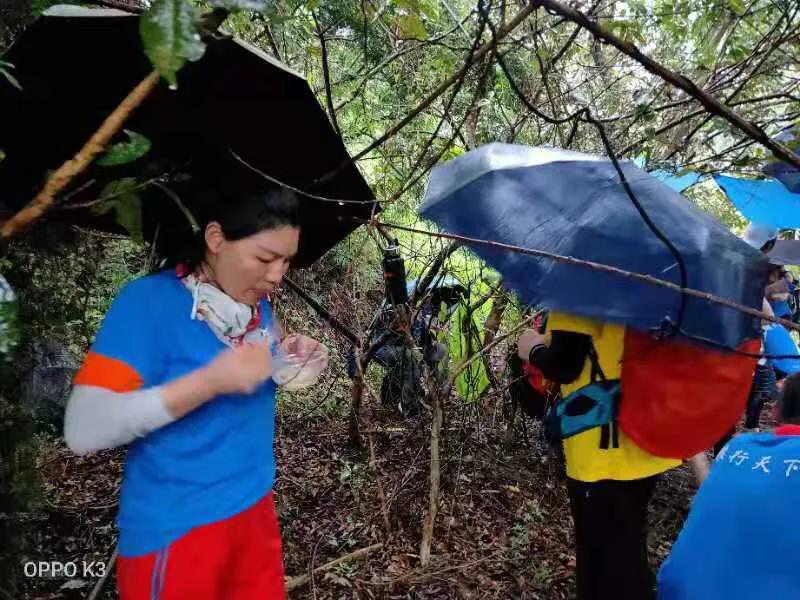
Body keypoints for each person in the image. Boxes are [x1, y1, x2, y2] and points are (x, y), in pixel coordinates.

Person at [64, 176, 325, 599]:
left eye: (287, 262)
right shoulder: (148, 304)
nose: (277, 276)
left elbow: (274, 369)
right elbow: (83, 428)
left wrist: (302, 357)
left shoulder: (256, 306)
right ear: (216, 238)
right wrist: (209, 382)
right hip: (177, 530)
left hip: (255, 512)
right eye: (264, 258)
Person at [518, 313, 679, 600]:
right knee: (627, 556)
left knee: (603, 568)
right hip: (646, 440)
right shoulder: (649, 279)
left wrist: (533, 349)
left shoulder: (582, 278)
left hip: (601, 452)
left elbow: (566, 363)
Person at [658, 372, 800, 599]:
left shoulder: (738, 446)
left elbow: (711, 490)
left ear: (776, 411)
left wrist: (691, 446)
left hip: (680, 590)